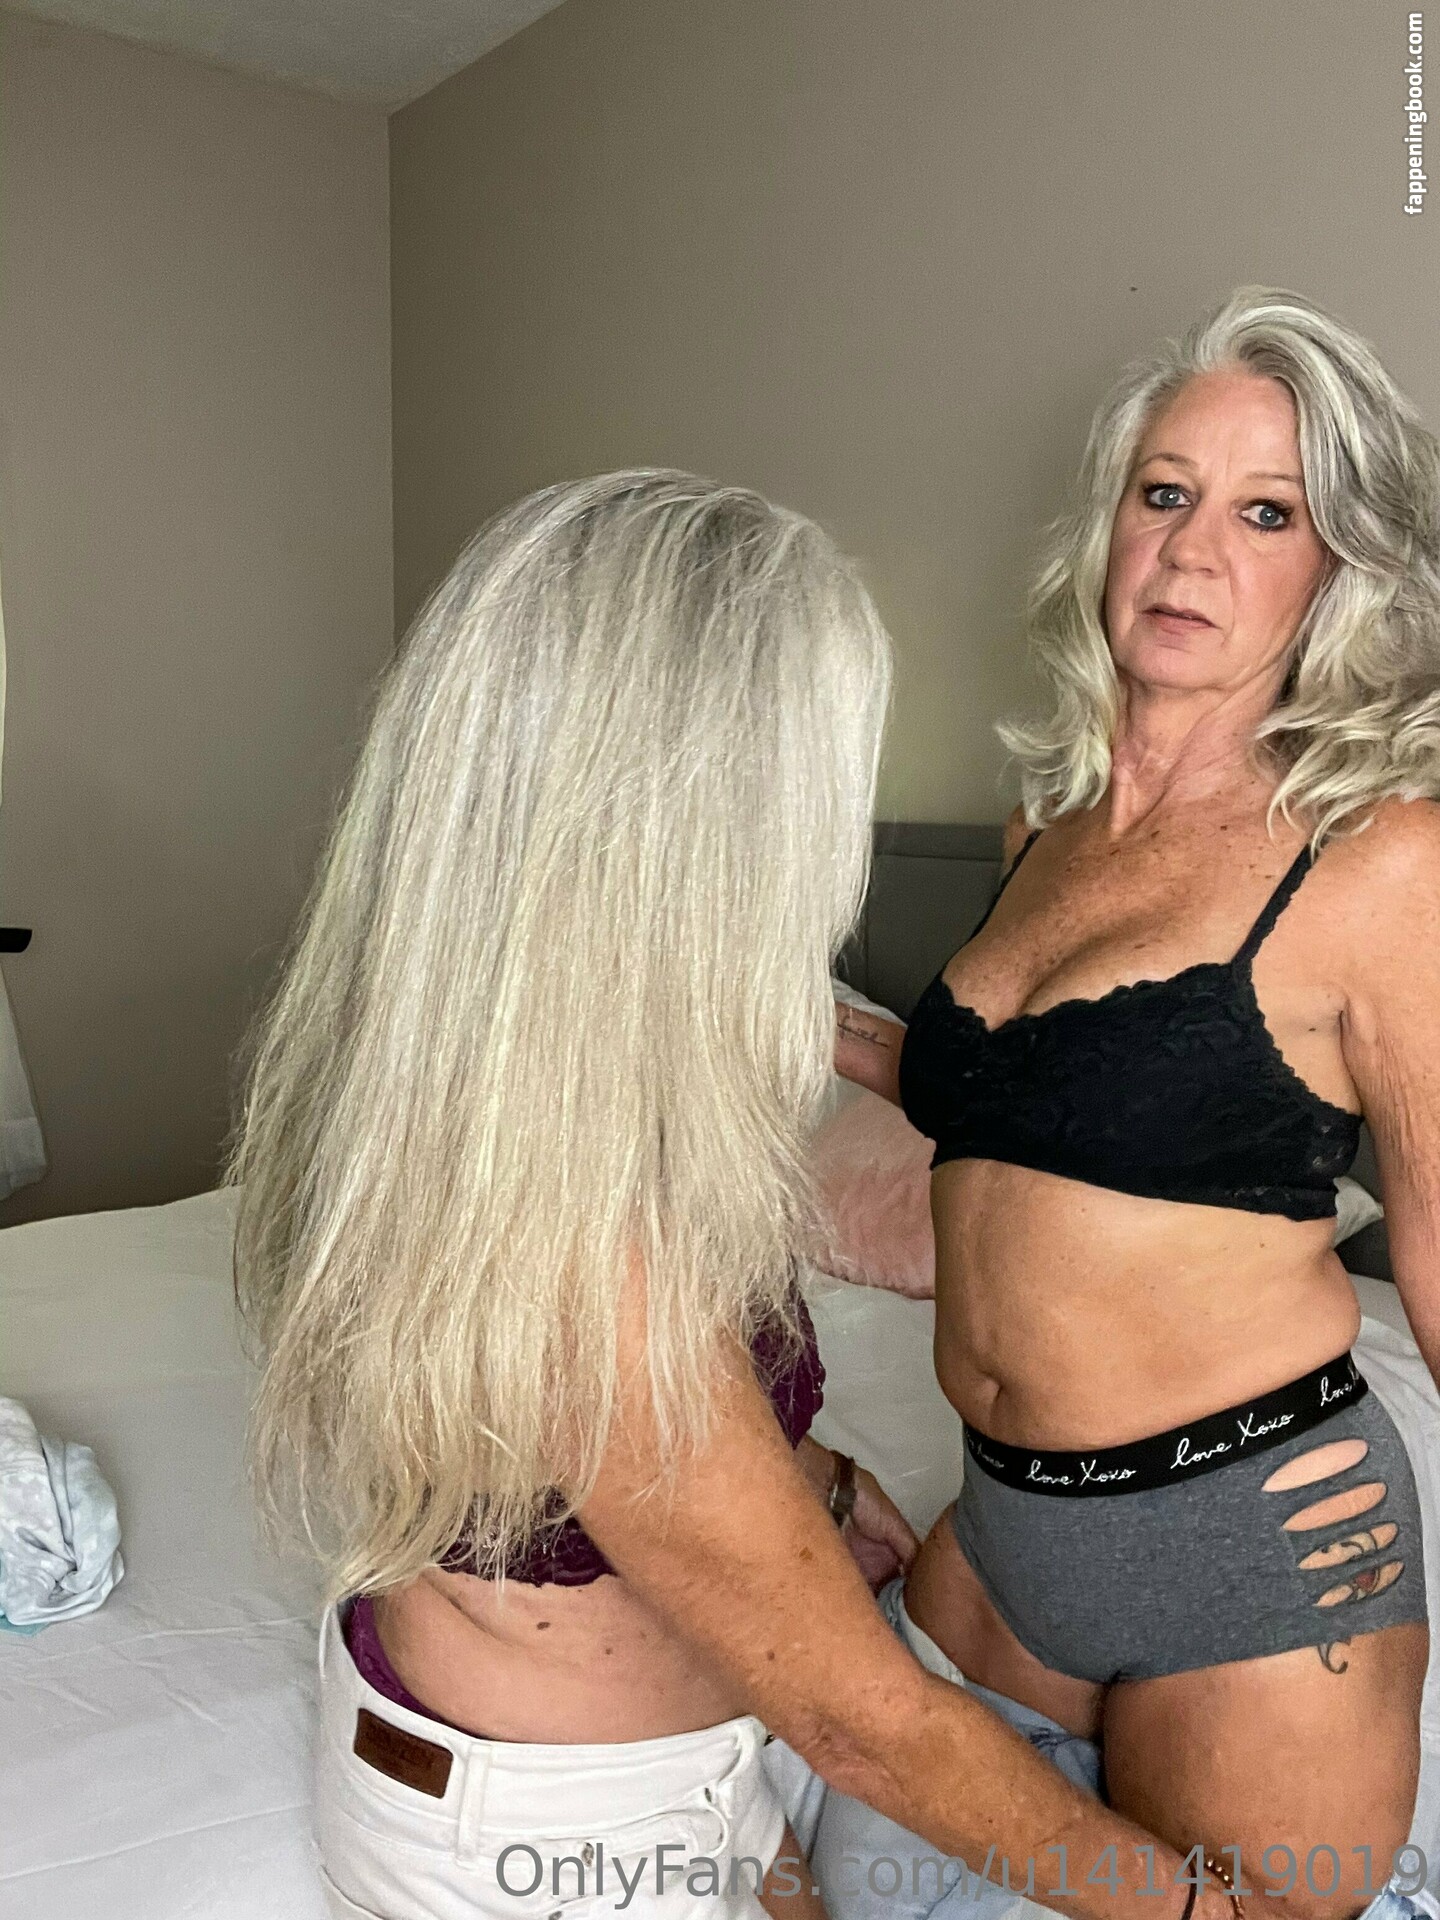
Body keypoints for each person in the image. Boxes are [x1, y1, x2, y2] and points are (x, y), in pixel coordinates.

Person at [227, 471, 1243, 1920]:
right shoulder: (589, 1248)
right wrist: (1206, 1915)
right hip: (565, 1834)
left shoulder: (481, 1067)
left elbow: (601, 1445)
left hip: (594, 1754)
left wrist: (815, 1481)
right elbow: (871, 1728)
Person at [831, 287, 1440, 1920]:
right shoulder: (1047, 824)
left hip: (1254, 1557)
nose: (1192, 551)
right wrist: (808, 1024)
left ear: (1341, 567)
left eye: (1267, 513)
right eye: (1165, 492)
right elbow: (1036, 1106)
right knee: (865, 1889)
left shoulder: (1382, 858)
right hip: (1004, 1535)